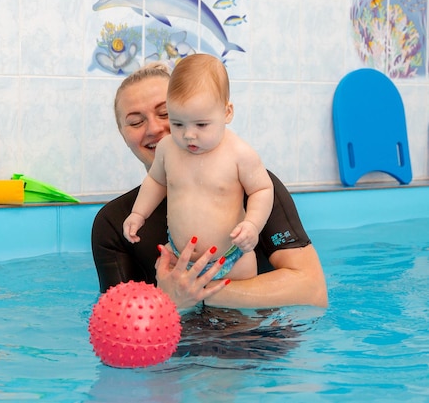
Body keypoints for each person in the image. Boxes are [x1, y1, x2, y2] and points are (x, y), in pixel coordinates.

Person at [91, 59, 328, 309]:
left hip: (256, 340)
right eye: (136, 122)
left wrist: (193, 295)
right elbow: (118, 322)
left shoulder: (249, 184)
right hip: (176, 344)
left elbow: (312, 291)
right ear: (122, 133)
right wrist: (169, 300)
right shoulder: (114, 223)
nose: (155, 128)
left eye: (165, 114)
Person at [122, 54, 273, 283]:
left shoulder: (239, 154)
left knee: (240, 314)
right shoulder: (168, 148)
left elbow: (262, 190)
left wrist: (252, 224)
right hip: (179, 256)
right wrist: (138, 213)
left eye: (201, 124)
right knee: (176, 303)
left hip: (231, 257)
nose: (188, 134)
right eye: (177, 123)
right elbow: (156, 182)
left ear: (226, 112)